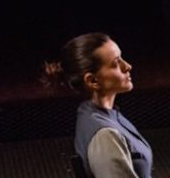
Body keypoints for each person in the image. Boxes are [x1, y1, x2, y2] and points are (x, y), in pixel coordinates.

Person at [44, 32, 153, 178]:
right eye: (116, 63)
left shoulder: (91, 111)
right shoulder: (105, 136)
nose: (127, 66)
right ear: (93, 81)